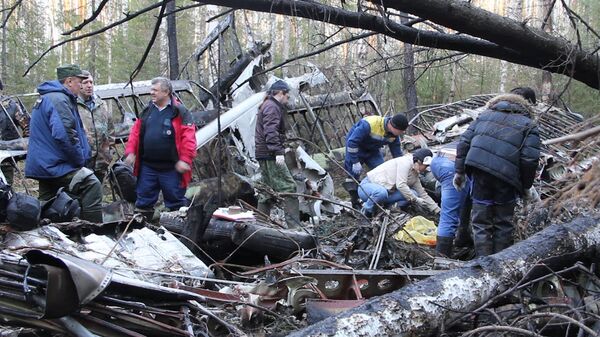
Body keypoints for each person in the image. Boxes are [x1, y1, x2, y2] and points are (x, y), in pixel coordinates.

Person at [454, 87, 541, 257]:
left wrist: (459, 172)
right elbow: (529, 159)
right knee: (503, 223)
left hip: (479, 174)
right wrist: (525, 186)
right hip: (506, 178)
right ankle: (500, 265)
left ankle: (482, 263)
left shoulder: (483, 116)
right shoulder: (528, 124)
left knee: (481, 222)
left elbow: (463, 143)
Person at [25, 64, 103, 222]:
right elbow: (65, 135)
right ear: (68, 81)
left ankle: (53, 232)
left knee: (49, 201)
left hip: (45, 163)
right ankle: (94, 230)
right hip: (56, 164)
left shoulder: (49, 97)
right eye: (79, 81)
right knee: (91, 184)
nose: (81, 85)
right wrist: (79, 160)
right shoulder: (59, 99)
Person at [124, 77, 196, 215]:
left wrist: (185, 159)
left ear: (166, 92)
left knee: (177, 204)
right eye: (151, 89)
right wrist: (131, 151)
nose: (151, 93)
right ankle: (143, 230)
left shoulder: (180, 112)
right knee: (143, 203)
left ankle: (177, 232)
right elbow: (135, 132)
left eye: (155, 90)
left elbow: (189, 138)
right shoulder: (147, 111)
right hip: (148, 168)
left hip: (172, 169)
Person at [254, 80, 300, 228]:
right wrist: (278, 152)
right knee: (289, 187)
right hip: (270, 154)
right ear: (280, 93)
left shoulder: (268, 105)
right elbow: (270, 132)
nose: (287, 99)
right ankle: (295, 228)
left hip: (264, 153)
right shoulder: (272, 107)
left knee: (267, 191)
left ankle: (260, 225)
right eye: (287, 96)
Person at [344, 112, 408, 208]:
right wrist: (355, 161)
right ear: (393, 126)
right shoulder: (370, 124)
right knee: (352, 175)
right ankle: (355, 200)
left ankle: (378, 196)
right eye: (400, 131)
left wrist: (403, 167)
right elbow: (352, 142)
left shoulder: (394, 135)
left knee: (381, 171)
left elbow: (397, 153)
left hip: (373, 151)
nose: (401, 133)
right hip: (356, 148)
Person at [358, 148, 440, 218]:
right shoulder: (405, 162)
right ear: (419, 161)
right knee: (381, 192)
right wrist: (416, 200)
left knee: (414, 193)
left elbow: (422, 194)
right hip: (367, 188)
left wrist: (437, 210)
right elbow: (401, 185)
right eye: (425, 166)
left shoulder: (414, 174)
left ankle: (389, 210)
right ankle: (366, 211)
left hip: (387, 193)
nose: (425, 169)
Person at [430, 146, 472, 257]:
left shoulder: (473, 134)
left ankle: (462, 239)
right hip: (454, 166)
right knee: (449, 216)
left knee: (465, 199)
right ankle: (441, 258)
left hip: (438, 160)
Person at [77, 70, 114, 183]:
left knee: (97, 192)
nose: (89, 86)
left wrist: (109, 153)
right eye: (85, 82)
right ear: (78, 85)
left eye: (91, 82)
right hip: (82, 163)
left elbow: (110, 130)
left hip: (101, 162)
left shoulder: (101, 104)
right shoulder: (73, 106)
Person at [0, 79, 30, 185]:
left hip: (5, 161)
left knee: (4, 191)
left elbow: (29, 131)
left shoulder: (11, 106)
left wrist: (15, 147)